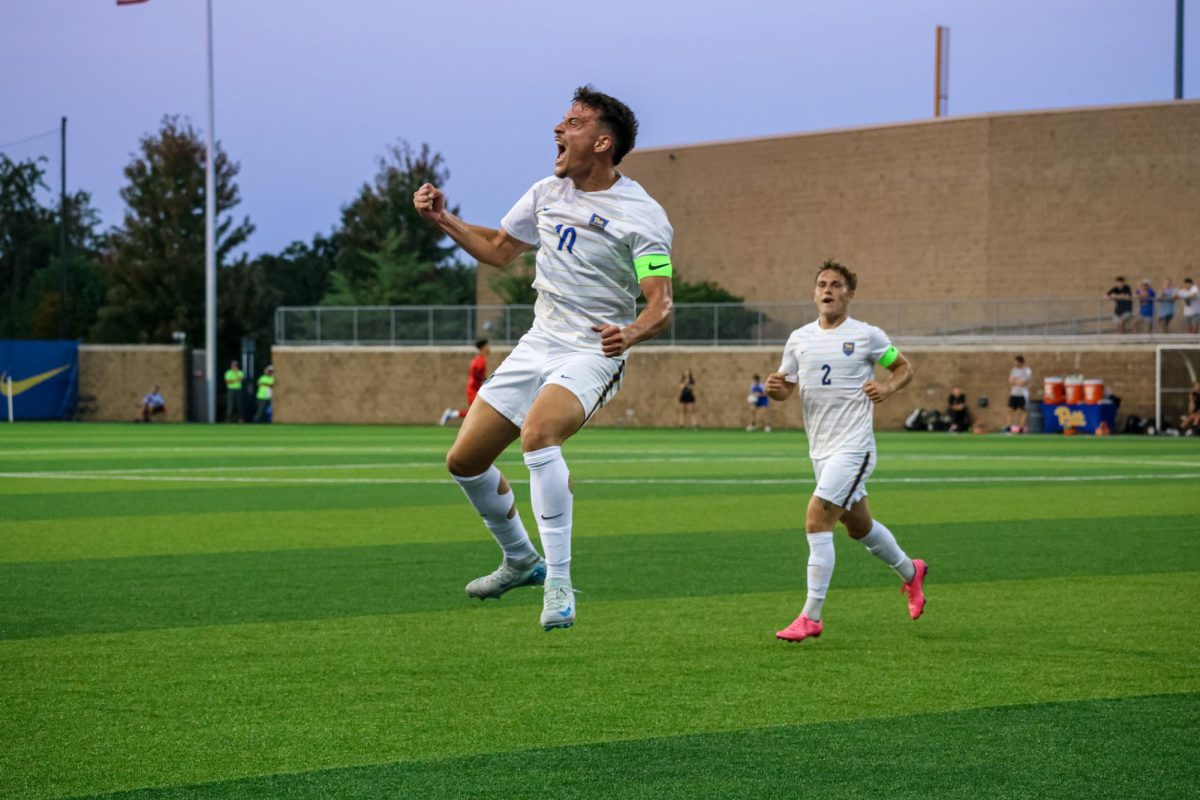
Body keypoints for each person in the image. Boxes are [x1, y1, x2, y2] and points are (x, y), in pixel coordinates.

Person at [412, 85, 673, 632]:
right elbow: (500, 250)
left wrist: (630, 334)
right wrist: (444, 219)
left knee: (538, 435)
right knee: (464, 462)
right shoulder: (546, 192)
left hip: (591, 349)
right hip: (538, 343)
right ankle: (521, 560)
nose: (559, 130)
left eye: (573, 123)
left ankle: (558, 581)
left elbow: (660, 304)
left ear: (602, 142)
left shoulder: (641, 214)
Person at [766, 260, 925, 643]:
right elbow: (786, 385)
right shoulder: (799, 338)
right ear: (814, 292)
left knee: (816, 520)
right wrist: (777, 389)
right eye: (822, 284)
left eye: (836, 285)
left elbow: (903, 367)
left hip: (854, 447)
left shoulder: (867, 336)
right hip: (819, 450)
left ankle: (811, 616)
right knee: (858, 527)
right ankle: (911, 572)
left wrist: (887, 388)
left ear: (849, 294)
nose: (828, 290)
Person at [440, 339, 491, 426]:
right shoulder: (480, 360)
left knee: (475, 411)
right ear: (483, 348)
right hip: (473, 389)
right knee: (475, 411)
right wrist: (485, 380)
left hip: (474, 388)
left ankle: (452, 414)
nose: (489, 348)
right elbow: (475, 372)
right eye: (487, 346)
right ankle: (451, 414)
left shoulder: (478, 359)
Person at [1007, 355, 1032, 433]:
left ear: (1021, 362)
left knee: (1023, 411)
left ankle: (1021, 428)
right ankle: (1009, 427)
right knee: (1009, 410)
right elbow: (1010, 381)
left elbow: (1023, 382)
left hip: (1023, 394)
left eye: (1017, 362)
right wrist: (1017, 381)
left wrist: (1016, 381)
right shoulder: (1014, 370)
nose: (1015, 364)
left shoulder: (1027, 370)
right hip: (1014, 393)